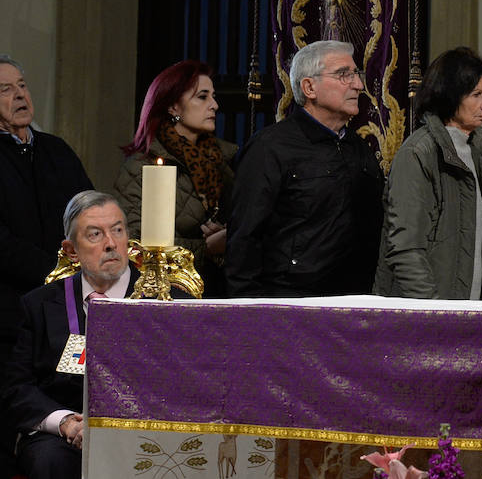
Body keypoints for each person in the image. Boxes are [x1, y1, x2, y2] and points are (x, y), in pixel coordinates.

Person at [224, 40, 383, 297]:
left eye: (356, 74)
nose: (358, 85)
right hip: (289, 305)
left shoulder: (360, 148)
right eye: (344, 75)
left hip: (355, 302)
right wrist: (249, 314)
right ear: (309, 87)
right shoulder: (270, 147)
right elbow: (245, 238)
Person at [2, 191, 135, 479]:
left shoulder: (163, 300)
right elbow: (16, 387)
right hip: (65, 434)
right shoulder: (39, 305)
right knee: (51, 461)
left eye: (118, 230)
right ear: (71, 250)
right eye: (95, 234)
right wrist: (66, 423)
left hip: (143, 430)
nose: (111, 244)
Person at [375, 47, 482, 300]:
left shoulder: (477, 150)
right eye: (477, 94)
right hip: (428, 322)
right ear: (450, 96)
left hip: (465, 315)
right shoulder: (418, 153)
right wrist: (435, 317)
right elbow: (406, 249)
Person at [0, 57, 92, 396]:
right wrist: (58, 270)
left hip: (68, 310)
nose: (20, 95)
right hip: (11, 314)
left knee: (69, 391)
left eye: (22, 85)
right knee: (19, 401)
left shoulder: (57, 150)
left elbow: (89, 212)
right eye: (5, 89)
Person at [113, 61, 236, 297]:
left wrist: (225, 234)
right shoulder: (142, 167)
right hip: (166, 294)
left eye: (213, 96)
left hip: (219, 289)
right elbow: (132, 244)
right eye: (202, 97)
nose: (215, 105)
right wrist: (206, 248)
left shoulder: (222, 162)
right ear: (173, 107)